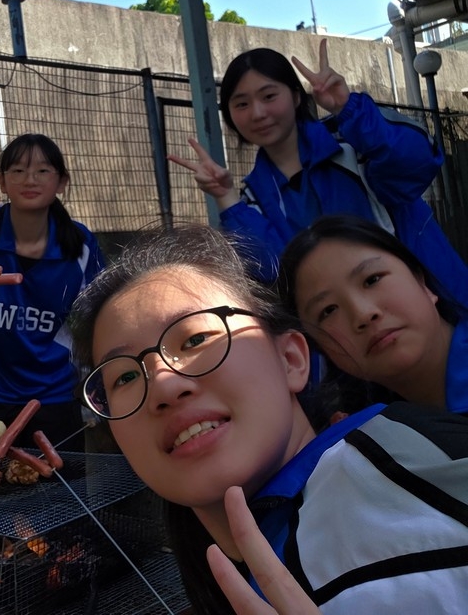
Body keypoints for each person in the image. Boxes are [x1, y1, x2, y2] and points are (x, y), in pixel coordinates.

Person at [69, 224, 468, 614]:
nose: (163, 385)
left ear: (290, 359)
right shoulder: (230, 570)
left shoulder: (407, 461)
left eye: (195, 339)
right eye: (125, 377)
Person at [168, 38, 468, 308]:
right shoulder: (252, 199)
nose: (257, 113)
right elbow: (276, 274)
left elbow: (417, 162)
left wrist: (348, 108)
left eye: (269, 96)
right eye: (242, 104)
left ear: (297, 97)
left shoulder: (353, 144)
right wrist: (226, 197)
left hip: (440, 311)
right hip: (348, 338)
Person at [0, 133, 104, 451]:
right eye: (17, 170)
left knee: (58, 482)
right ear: (2, 181)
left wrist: (97, 388)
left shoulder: (81, 243)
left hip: (55, 396)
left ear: (61, 182)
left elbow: (96, 322)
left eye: (42, 170)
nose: (30, 179)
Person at [278, 214, 468, 414]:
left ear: (421, 281)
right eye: (329, 310)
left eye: (372, 280)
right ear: (319, 348)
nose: (363, 314)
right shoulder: (377, 426)